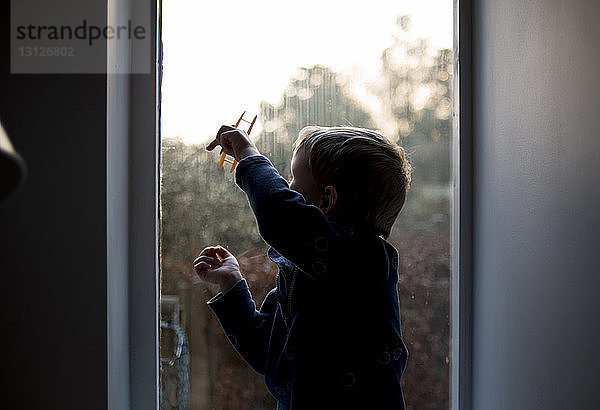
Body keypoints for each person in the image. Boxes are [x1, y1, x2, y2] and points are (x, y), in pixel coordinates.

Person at [194, 125, 412, 409]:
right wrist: (232, 285)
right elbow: (265, 352)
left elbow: (278, 212)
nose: (286, 187)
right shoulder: (305, 273)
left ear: (327, 200)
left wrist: (249, 156)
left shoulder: (362, 262)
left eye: (294, 180)